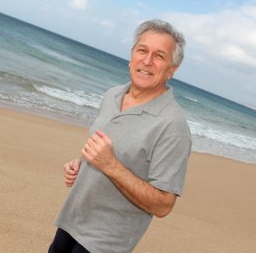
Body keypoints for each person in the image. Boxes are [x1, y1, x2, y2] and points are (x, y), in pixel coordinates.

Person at [49, 19, 192, 253]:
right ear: (132, 55)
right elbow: (106, 149)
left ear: (172, 70)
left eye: (159, 56)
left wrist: (110, 165)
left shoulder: (172, 127)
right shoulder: (113, 95)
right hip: (72, 219)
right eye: (142, 50)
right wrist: (81, 164)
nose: (147, 61)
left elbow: (164, 205)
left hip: (105, 242)